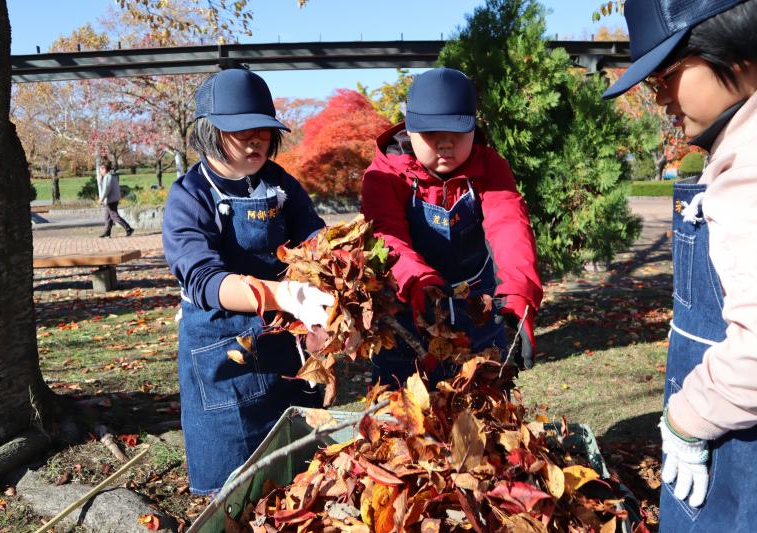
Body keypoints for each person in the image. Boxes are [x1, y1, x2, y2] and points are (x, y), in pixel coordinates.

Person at [603, 0, 757, 529]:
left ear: (736, 48)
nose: (659, 98)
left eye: (667, 74)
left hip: (737, 434)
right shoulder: (738, 140)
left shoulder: (755, 162)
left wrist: (685, 419)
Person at [162, 68, 334, 496]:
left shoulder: (281, 186)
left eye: (263, 129)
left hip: (282, 343)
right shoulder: (189, 196)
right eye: (241, 131)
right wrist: (283, 293)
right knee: (237, 488)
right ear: (207, 131)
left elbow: (314, 245)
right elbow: (203, 279)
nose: (256, 139)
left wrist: (322, 321)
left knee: (298, 473)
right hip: (219, 352)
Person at [361, 67, 543, 387]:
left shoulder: (489, 167)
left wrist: (518, 295)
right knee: (406, 419)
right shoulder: (386, 174)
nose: (446, 145)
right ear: (410, 128)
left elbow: (509, 225)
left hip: (479, 309)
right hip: (410, 311)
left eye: (457, 133)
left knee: (486, 409)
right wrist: (417, 282)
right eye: (432, 134)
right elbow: (386, 234)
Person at [97, 160, 134, 238]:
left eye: (100, 169)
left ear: (104, 169)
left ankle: (129, 229)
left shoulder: (108, 177)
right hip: (112, 199)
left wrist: (101, 199)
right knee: (107, 217)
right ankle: (107, 232)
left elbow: (106, 189)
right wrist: (100, 180)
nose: (100, 171)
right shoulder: (110, 176)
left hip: (111, 200)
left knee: (114, 216)